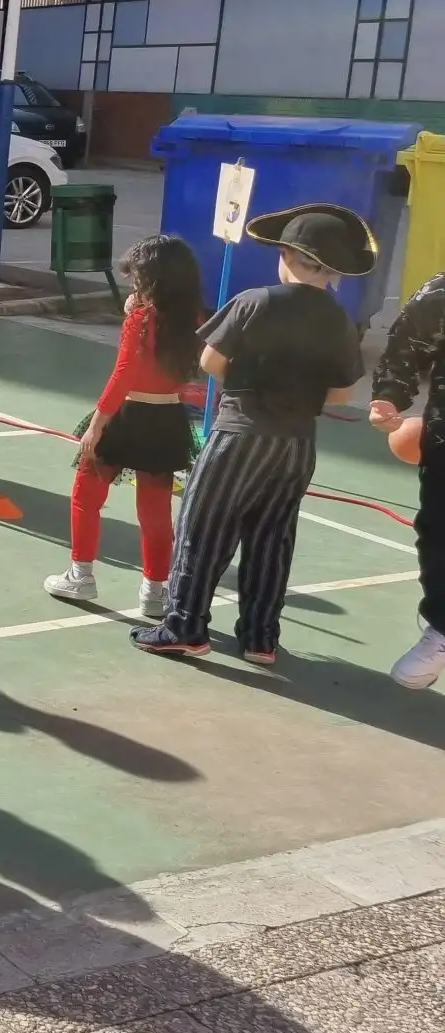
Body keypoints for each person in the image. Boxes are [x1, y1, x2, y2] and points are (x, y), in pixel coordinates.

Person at [133, 203, 372, 663]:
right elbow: (343, 393)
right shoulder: (340, 321)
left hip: (241, 433)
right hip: (297, 444)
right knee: (272, 538)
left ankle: (185, 626)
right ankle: (260, 637)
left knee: (203, 528)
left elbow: (210, 362)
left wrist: (257, 385)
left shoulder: (256, 301)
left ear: (288, 256)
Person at [43, 235, 205, 617]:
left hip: (127, 414)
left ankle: (81, 574)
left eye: (138, 277)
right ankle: (155, 591)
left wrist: (97, 424)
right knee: (155, 508)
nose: (133, 283)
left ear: (153, 279)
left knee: (86, 491)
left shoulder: (142, 318)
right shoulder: (192, 319)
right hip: (166, 417)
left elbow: (124, 373)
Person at [368, 269, 445, 689]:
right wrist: (389, 396)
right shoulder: (441, 293)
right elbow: (407, 345)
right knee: (438, 534)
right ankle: (442, 628)